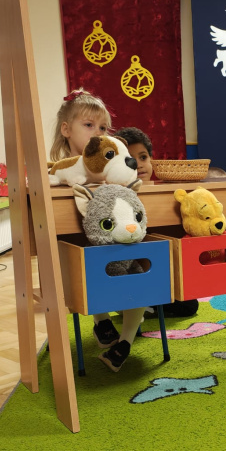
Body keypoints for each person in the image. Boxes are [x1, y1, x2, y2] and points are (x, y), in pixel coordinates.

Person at [51, 90, 146, 351]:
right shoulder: (60, 171)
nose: (97, 133)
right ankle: (101, 318)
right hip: (84, 262)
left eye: (103, 128)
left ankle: (126, 336)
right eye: (88, 125)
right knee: (83, 262)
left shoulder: (113, 171)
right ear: (66, 129)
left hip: (120, 247)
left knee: (137, 262)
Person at [113, 125, 200, 321]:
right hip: (131, 272)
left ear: (152, 159)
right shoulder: (117, 194)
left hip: (160, 273)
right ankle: (134, 305)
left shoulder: (162, 191)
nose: (139, 164)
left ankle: (150, 307)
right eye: (130, 159)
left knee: (189, 305)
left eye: (143, 157)